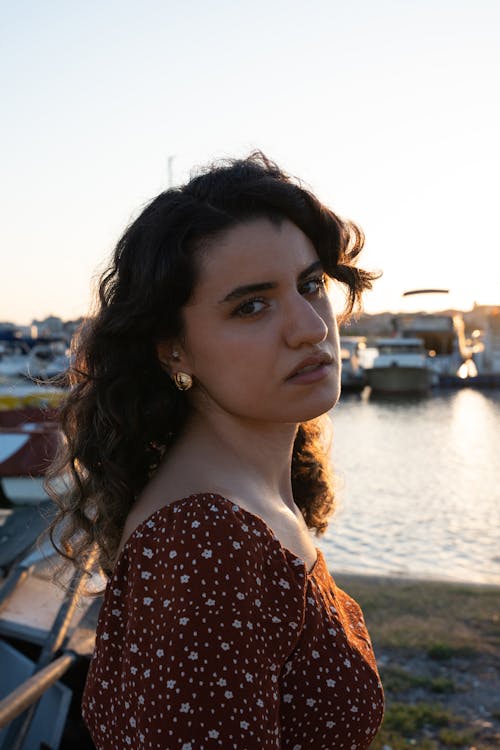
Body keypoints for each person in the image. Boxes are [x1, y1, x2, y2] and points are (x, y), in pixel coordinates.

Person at [49, 151, 384, 749]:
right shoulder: (204, 540)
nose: (309, 325)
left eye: (310, 284)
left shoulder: (246, 501)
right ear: (173, 350)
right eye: (251, 305)